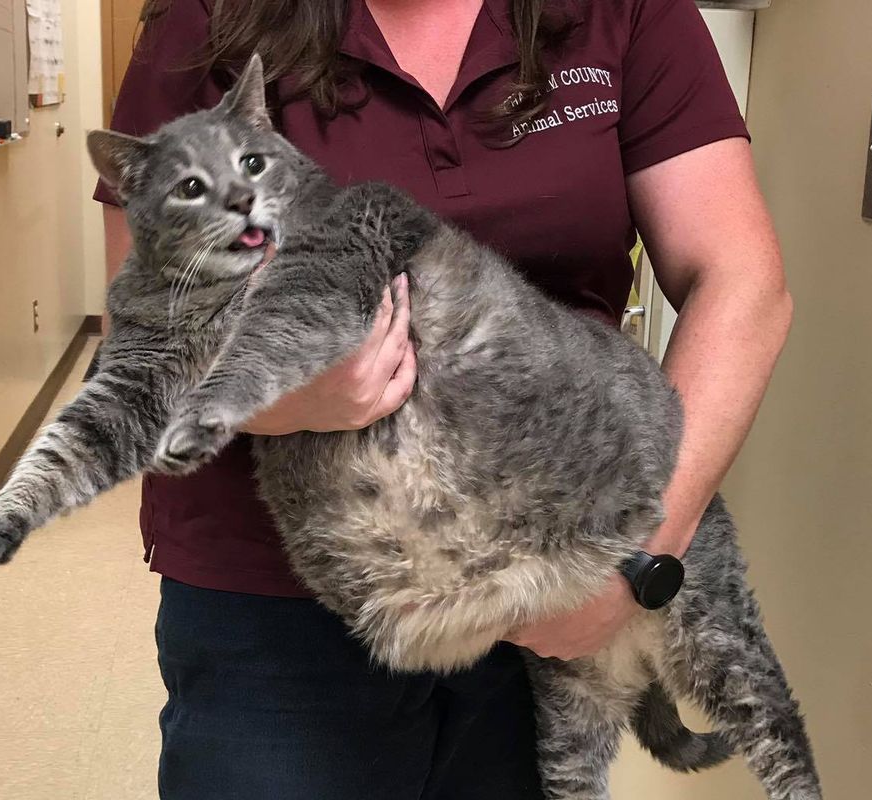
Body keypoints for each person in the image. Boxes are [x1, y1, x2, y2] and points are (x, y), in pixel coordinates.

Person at [94, 1, 792, 797]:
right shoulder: (209, 20)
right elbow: (144, 326)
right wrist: (282, 395)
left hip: (540, 570)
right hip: (281, 596)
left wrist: (633, 556)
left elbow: (743, 281)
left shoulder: (623, 14)